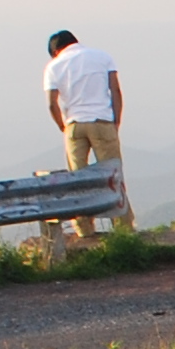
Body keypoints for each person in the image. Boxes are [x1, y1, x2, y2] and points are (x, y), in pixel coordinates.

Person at [39, 30, 136, 241]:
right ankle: (123, 229)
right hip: (102, 122)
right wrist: (115, 120)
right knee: (113, 177)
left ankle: (84, 231)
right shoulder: (102, 57)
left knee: (77, 180)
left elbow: (51, 104)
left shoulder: (53, 67)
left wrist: (63, 127)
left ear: (55, 51)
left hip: (74, 125)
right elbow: (115, 91)